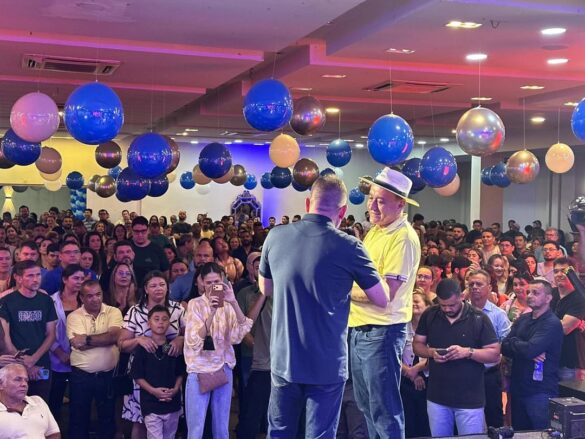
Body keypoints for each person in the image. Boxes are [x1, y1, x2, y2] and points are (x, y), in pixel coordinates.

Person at [259, 175, 388, 438]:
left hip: (285, 357)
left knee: (279, 432)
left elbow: (266, 289)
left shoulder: (275, 235)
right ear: (342, 211)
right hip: (327, 363)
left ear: (308, 203)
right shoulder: (350, 246)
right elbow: (382, 298)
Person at [348, 168, 421, 439]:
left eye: (381, 201)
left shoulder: (403, 237)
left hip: (382, 331)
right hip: (361, 329)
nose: (373, 206)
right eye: (371, 198)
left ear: (401, 204)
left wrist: (345, 290)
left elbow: (385, 294)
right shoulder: (376, 231)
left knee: (384, 410)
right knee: (367, 406)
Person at [413, 279, 500, 437]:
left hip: (470, 399)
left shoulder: (478, 318)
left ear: (461, 296)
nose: (447, 309)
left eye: (451, 305)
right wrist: (431, 353)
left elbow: (494, 354)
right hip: (437, 397)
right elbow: (417, 344)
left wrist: (468, 352)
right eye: (443, 305)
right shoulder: (430, 314)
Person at [184, 262, 253, 438]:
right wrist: (212, 312)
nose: (212, 286)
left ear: (223, 280)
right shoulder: (195, 304)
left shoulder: (228, 305)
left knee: (222, 427)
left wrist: (233, 302)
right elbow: (193, 341)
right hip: (199, 370)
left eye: (216, 282)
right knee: (196, 428)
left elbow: (238, 336)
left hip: (224, 367)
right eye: (208, 282)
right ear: (201, 282)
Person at [118, 271, 185, 439]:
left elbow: (191, 336)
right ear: (146, 289)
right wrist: (138, 339)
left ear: (168, 287)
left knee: (169, 420)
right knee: (140, 420)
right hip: (142, 372)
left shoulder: (177, 309)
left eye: (162, 284)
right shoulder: (135, 311)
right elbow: (121, 344)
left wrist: (180, 339)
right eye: (153, 285)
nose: (158, 288)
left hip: (169, 371)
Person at [502, 278, 563, 430]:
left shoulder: (552, 323)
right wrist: (523, 346)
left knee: (541, 433)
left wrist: (518, 344)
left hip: (540, 391)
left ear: (548, 298)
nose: (529, 295)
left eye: (535, 293)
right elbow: (504, 346)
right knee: (520, 433)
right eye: (529, 292)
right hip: (518, 388)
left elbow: (530, 350)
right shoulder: (523, 319)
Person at [66, 280, 123, 438]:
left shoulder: (113, 312)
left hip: (108, 375)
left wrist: (87, 339)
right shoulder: (73, 316)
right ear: (82, 298)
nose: (95, 299)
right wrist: (106, 339)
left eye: (98, 294)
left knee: (108, 419)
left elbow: (115, 337)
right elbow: (78, 345)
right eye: (90, 296)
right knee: (78, 420)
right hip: (81, 376)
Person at [0, 260, 57, 401]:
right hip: (14, 364)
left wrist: (33, 359)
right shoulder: (6, 301)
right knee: (14, 406)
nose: (36, 279)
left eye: (38, 275)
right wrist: (25, 365)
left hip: (41, 363)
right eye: (30, 275)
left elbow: (51, 334)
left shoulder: (46, 300)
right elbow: (5, 339)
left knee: (41, 406)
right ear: (18, 278)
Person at [131, 305, 185, 439]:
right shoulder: (144, 348)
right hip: (151, 403)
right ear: (149, 323)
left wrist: (176, 389)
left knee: (170, 436)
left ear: (169, 323)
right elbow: (137, 376)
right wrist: (153, 391)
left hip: (172, 402)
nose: (160, 322)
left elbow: (180, 372)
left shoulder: (172, 347)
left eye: (164, 319)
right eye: (156, 319)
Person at [467, 269, 511, 429]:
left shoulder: (498, 314)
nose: (474, 287)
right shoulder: (461, 312)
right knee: (467, 417)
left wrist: (502, 369)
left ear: (490, 287)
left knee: (494, 417)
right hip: (465, 374)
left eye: (479, 284)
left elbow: (507, 344)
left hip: (489, 374)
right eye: (471, 284)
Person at [48, 264, 84, 425]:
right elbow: (46, 331)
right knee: (55, 401)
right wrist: (60, 352)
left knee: (79, 404)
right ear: (64, 279)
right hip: (57, 358)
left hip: (82, 358)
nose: (80, 281)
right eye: (76, 278)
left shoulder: (86, 300)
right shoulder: (51, 301)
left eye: (82, 278)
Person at [0, 363, 61, 439]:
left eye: (26, 380)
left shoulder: (38, 401)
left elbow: (53, 434)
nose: (24, 384)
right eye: (18, 379)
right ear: (1, 384)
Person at [401, 292, 431, 438]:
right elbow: (393, 355)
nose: (413, 304)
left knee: (425, 422)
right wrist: (410, 373)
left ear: (427, 305)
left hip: (429, 380)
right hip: (405, 380)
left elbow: (436, 353)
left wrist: (417, 369)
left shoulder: (433, 327)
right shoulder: (401, 328)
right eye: (410, 301)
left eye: (417, 301)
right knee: (409, 423)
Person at [550, 257, 585, 380]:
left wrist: (541, 322)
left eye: (563, 271)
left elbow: (564, 328)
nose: (559, 274)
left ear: (573, 273)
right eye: (556, 271)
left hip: (571, 361)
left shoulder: (579, 297)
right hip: (550, 357)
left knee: (569, 392)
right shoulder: (550, 293)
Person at [131, 217, 170, 287]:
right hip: (131, 289)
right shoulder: (126, 248)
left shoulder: (157, 249)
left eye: (143, 231)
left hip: (153, 289)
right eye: (136, 231)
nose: (140, 235)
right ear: (132, 231)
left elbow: (166, 272)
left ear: (148, 230)